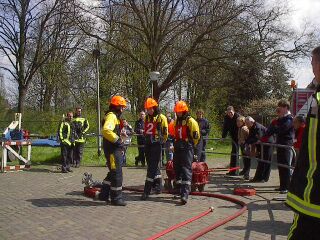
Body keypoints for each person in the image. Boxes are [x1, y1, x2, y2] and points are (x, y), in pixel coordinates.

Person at [286, 46, 320, 239]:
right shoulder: (315, 96)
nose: (312, 68)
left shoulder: (316, 99)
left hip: (313, 189)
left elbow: (299, 120)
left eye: (313, 63)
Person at [98, 95, 127, 206]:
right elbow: (106, 130)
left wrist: (120, 135)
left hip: (112, 149)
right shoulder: (112, 116)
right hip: (112, 150)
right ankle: (116, 198)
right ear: (117, 106)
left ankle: (104, 194)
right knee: (117, 173)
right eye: (122, 107)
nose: (123, 109)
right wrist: (118, 141)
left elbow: (111, 131)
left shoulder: (113, 116)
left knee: (112, 172)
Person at [141, 97, 168, 200]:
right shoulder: (147, 118)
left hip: (156, 145)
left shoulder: (162, 118)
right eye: (147, 109)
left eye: (150, 108)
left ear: (155, 108)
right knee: (153, 166)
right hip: (148, 144)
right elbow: (146, 129)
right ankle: (158, 186)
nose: (148, 111)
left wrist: (161, 142)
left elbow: (165, 133)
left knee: (152, 168)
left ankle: (146, 191)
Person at [264, 100, 294, 194]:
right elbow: (271, 130)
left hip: (286, 145)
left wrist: (276, 125)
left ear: (285, 107)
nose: (278, 109)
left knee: (285, 165)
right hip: (280, 144)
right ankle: (282, 186)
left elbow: (282, 129)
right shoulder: (280, 119)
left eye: (280, 107)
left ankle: (287, 187)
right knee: (280, 166)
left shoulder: (289, 118)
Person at [173, 101, 200, 204]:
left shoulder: (191, 121)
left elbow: (196, 137)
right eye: (177, 112)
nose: (178, 114)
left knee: (186, 170)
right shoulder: (176, 121)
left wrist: (191, 147)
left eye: (180, 112)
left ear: (184, 111)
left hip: (187, 148)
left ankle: (185, 195)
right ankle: (179, 191)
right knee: (177, 169)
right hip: (178, 147)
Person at [245, 116, 272, 183]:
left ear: (252, 122)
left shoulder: (257, 127)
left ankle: (264, 178)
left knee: (266, 161)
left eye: (247, 123)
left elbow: (257, 138)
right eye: (246, 124)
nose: (247, 125)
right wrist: (247, 142)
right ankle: (257, 177)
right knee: (260, 161)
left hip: (267, 144)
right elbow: (250, 137)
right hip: (261, 145)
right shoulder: (251, 127)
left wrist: (250, 142)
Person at [222, 106, 240, 175]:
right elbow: (225, 127)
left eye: (231, 113)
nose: (230, 114)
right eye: (228, 113)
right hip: (233, 137)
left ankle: (241, 172)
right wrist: (223, 136)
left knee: (243, 154)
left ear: (233, 111)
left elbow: (242, 126)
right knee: (233, 153)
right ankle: (232, 171)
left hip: (240, 137)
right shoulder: (226, 118)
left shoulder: (238, 117)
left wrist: (241, 138)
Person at [237, 116, 250, 180]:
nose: (238, 123)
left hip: (246, 145)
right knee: (244, 159)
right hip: (242, 145)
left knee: (247, 159)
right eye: (237, 121)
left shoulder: (244, 128)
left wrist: (245, 141)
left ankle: (246, 174)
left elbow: (249, 135)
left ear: (243, 122)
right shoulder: (240, 128)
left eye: (239, 121)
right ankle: (245, 173)